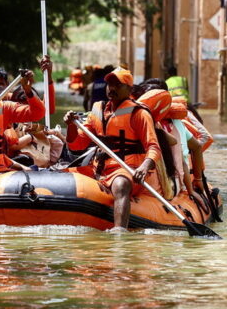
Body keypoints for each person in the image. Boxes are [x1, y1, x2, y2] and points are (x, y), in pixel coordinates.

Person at [64, 68, 161, 230]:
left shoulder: (139, 113)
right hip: (100, 168)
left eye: (118, 85)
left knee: (121, 184)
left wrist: (144, 166)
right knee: (64, 176)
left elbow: (154, 147)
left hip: (128, 170)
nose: (112, 88)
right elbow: (77, 145)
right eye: (109, 84)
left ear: (129, 89)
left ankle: (119, 232)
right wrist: (71, 126)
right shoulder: (97, 110)